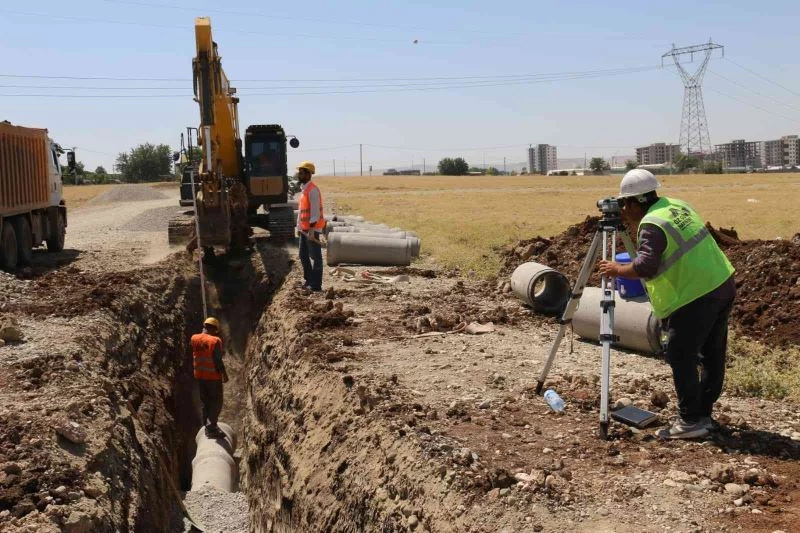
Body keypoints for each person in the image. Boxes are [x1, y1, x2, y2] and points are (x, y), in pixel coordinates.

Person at [598, 169, 735, 440]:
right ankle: (702, 414)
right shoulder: (675, 206)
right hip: (721, 283)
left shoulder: (652, 223)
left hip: (695, 295)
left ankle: (690, 421)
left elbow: (646, 266)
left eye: (626, 204)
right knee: (711, 353)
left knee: (680, 354)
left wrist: (617, 268)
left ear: (636, 202)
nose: (624, 210)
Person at [191, 317, 228, 439]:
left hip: (200, 376)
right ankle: (212, 427)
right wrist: (224, 374)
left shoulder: (194, 338)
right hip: (213, 377)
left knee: (205, 402)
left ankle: (207, 426)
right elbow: (217, 360)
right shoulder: (214, 341)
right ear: (214, 329)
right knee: (216, 402)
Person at [296, 161, 326, 292]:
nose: (299, 175)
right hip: (304, 229)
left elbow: (315, 212)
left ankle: (316, 285)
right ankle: (309, 280)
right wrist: (298, 227)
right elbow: (302, 211)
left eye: (302, 173)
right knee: (303, 255)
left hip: (312, 230)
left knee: (316, 257)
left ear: (308, 174)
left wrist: (312, 230)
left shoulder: (312, 190)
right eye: (299, 172)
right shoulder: (304, 190)